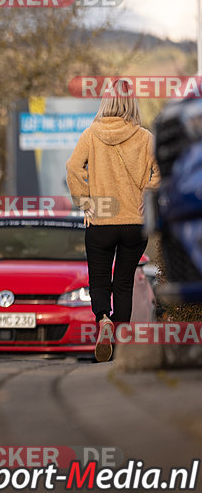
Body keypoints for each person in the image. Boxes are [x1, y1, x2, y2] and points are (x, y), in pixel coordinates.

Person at [66, 79, 160, 362]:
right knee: (124, 284)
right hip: (135, 221)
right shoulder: (145, 138)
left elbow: (73, 168)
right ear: (132, 103)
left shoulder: (91, 134)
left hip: (101, 219)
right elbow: (160, 172)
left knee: (100, 279)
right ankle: (119, 343)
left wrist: (85, 201)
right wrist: (147, 195)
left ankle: (103, 319)